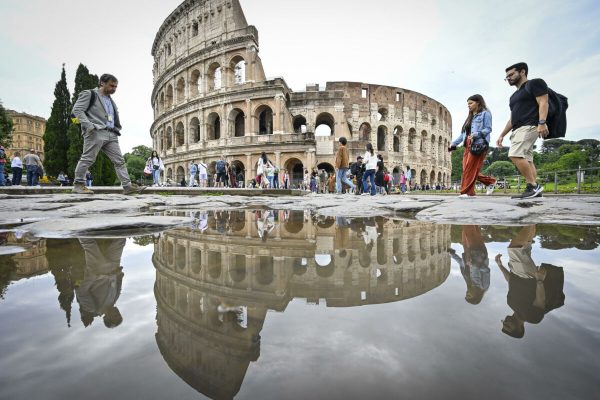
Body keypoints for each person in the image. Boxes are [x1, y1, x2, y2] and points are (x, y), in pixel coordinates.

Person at [71, 74, 145, 195]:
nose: (114, 89)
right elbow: (77, 110)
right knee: (88, 159)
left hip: (111, 134)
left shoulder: (111, 100)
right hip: (96, 131)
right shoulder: (89, 94)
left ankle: (127, 186)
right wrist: (89, 126)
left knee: (119, 161)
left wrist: (116, 128)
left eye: (116, 87)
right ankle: (78, 185)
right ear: (102, 83)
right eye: (111, 85)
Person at [495, 225, 565, 338]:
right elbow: (540, 300)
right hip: (528, 277)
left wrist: (500, 266)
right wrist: (539, 281)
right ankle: (532, 217)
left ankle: (533, 221)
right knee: (515, 247)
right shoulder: (532, 318)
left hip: (516, 273)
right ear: (520, 328)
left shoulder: (511, 304)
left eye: (504, 324)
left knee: (525, 244)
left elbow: (511, 282)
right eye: (508, 327)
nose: (505, 323)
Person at [496, 62, 547, 199]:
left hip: (530, 125)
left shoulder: (535, 83)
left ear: (522, 72)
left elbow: (543, 102)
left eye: (511, 74)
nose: (508, 78)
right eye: (506, 77)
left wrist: (542, 122)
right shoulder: (513, 97)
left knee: (515, 154)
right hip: (518, 128)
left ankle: (533, 186)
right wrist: (502, 134)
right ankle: (534, 189)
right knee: (528, 160)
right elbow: (512, 119)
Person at [448, 94, 497, 197]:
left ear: (478, 102)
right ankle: (490, 182)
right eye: (468, 104)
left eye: (471, 103)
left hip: (478, 144)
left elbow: (488, 129)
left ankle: (467, 192)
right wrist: (453, 144)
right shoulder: (470, 117)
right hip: (467, 145)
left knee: (470, 169)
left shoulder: (485, 114)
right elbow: (463, 134)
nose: (468, 105)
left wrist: (476, 134)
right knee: (467, 169)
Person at [75, 238, 125, 328]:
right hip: (114, 266)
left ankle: (76, 226)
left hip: (98, 269)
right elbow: (119, 284)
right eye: (119, 314)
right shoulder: (114, 300)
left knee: (89, 243)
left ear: (106, 318)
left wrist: (93, 277)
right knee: (121, 240)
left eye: (115, 316)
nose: (118, 312)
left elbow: (81, 292)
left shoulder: (93, 308)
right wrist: (119, 274)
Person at [450, 226, 490, 305]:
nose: (467, 292)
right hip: (479, 255)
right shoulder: (483, 287)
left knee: (471, 230)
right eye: (469, 295)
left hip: (467, 252)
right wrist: (474, 265)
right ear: (476, 296)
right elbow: (486, 271)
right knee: (469, 229)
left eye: (466, 294)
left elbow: (462, 264)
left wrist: (452, 254)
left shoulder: (468, 282)